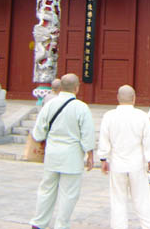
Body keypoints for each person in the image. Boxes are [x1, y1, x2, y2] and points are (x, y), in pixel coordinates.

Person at [30, 73, 95, 229]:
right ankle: (61, 225)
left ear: (60, 87)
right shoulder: (81, 107)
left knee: (46, 189)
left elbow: (38, 132)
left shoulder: (49, 105)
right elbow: (87, 134)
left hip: (52, 153)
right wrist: (90, 155)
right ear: (77, 88)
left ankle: (39, 222)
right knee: (69, 194)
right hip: (72, 155)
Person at [98, 85, 150, 229]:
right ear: (134, 98)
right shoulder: (142, 116)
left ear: (118, 98)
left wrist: (103, 159)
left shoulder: (109, 116)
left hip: (117, 163)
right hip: (136, 164)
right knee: (142, 199)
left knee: (118, 200)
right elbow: (149, 140)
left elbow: (104, 139)